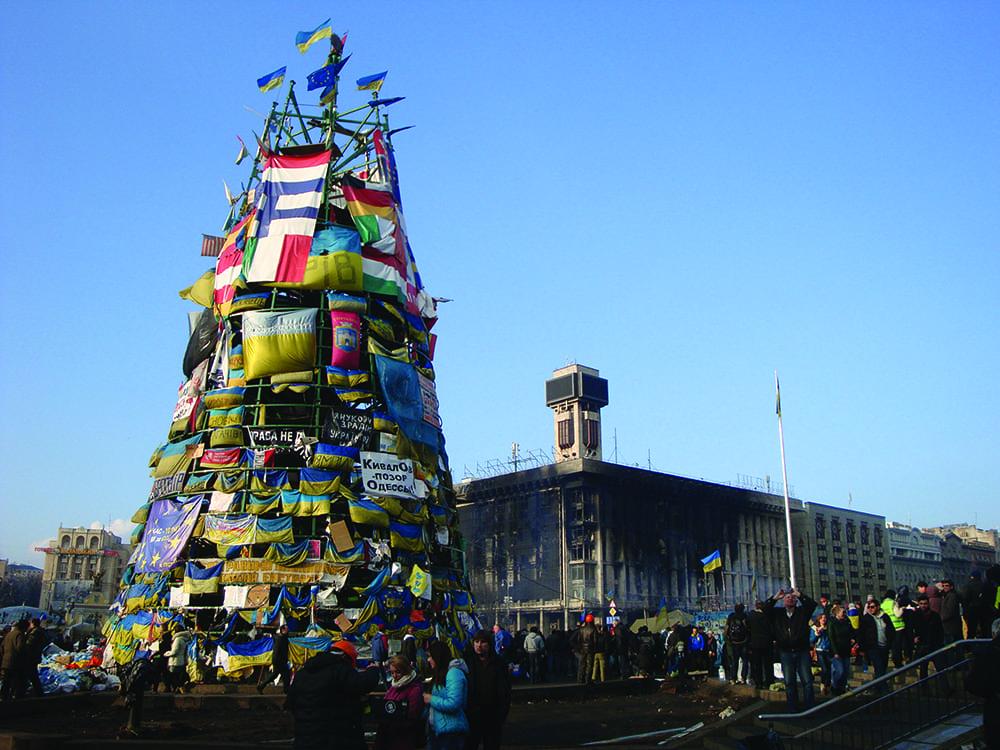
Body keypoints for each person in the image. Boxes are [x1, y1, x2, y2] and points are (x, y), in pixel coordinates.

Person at [285, 639, 381, 750]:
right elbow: (364, 684)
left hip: (304, 739)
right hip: (336, 740)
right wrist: (372, 670)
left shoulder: (302, 674)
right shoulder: (341, 671)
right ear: (345, 657)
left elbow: (290, 703)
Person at [763, 588, 818, 713]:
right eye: (787, 597)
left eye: (792, 597)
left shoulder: (802, 612)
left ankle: (810, 707)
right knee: (789, 682)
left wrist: (799, 595)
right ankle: (793, 708)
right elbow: (765, 608)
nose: (790, 599)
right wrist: (775, 598)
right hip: (786, 651)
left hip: (802, 650)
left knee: (807, 681)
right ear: (783, 601)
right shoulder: (778, 614)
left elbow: (812, 605)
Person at [463, 629, 511, 750]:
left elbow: (505, 687)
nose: (479, 645)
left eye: (483, 642)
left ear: (489, 644)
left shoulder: (498, 663)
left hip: (493, 714)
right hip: (472, 714)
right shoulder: (467, 662)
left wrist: (502, 711)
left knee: (492, 745)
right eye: (477, 641)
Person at [374, 655, 426, 750]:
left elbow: (412, 717)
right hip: (388, 738)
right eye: (392, 672)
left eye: (397, 672)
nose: (394, 676)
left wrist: (389, 723)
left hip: (402, 740)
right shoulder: (394, 686)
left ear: (405, 670)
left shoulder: (414, 690)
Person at [425, 641, 468, 750]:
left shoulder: (454, 674)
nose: (428, 660)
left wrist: (431, 699)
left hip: (450, 732)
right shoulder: (439, 675)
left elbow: (454, 703)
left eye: (430, 657)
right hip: (436, 730)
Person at [964, 617, 1000, 750]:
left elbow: (972, 683)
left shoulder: (989, 651)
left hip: (995, 708)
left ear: (993, 634)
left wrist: (990, 692)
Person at [859, 599, 895, 690]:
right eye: (869, 607)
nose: (870, 609)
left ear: (878, 607)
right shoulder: (866, 618)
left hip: (884, 646)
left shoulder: (885, 617)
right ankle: (884, 689)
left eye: (872, 607)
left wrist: (892, 644)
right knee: (878, 666)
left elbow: (891, 631)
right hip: (872, 646)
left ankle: (877, 688)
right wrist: (862, 649)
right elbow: (861, 634)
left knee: (883, 668)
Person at [912, 593, 945, 681]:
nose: (923, 606)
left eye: (925, 604)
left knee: (940, 667)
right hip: (923, 644)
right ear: (919, 604)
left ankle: (946, 688)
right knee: (923, 669)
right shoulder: (916, 615)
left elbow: (940, 631)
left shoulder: (935, 615)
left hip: (934, 644)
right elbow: (911, 628)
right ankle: (924, 688)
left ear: (929, 604)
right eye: (921, 604)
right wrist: (914, 637)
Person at [828, 605, 856, 696]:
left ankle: (842, 688)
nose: (844, 614)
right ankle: (835, 686)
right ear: (837, 613)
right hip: (837, 650)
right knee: (840, 671)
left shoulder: (846, 622)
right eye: (842, 612)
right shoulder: (832, 623)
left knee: (846, 672)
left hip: (846, 650)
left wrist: (852, 639)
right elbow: (832, 637)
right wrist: (835, 652)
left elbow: (852, 632)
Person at [747, 600, 774, 689]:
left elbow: (748, 629)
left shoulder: (751, 617)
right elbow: (771, 629)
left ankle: (758, 682)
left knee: (757, 664)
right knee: (768, 663)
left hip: (756, 643)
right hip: (767, 642)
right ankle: (769, 681)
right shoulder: (768, 616)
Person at [258, 624, 292, 694]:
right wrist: (276, 660)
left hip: (282, 661)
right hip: (279, 661)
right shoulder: (280, 638)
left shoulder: (284, 638)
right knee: (284, 676)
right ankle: (286, 691)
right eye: (286, 629)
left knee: (278, 675)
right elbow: (277, 650)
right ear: (282, 630)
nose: (288, 631)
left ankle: (261, 686)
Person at [0, 620, 26, 700]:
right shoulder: (20, 635)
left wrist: (4, 656)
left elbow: (2, 648)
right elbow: (20, 648)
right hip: (16, 661)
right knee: (20, 680)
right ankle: (17, 696)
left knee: (6, 681)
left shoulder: (9, 635)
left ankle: (3, 696)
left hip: (6, 661)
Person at [22, 618, 48, 697]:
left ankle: (23, 692)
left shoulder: (34, 633)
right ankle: (38, 692)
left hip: (31, 657)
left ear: (32, 623)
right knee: (33, 675)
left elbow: (29, 645)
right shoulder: (41, 632)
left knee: (29, 675)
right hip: (35, 657)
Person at [880, 589, 906, 669]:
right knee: (898, 646)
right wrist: (902, 609)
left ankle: (893, 661)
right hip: (898, 626)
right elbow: (898, 614)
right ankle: (899, 662)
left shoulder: (882, 605)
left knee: (892, 646)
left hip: (888, 627)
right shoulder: (893, 603)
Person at [724, 603, 750, 683]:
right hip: (744, 641)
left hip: (735, 642)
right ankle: (743, 678)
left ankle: (733, 678)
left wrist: (729, 639)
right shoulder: (745, 616)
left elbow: (726, 630)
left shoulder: (731, 617)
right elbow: (748, 629)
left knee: (735, 661)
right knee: (745, 660)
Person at [570, 615, 597, 684]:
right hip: (590, 649)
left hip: (582, 649)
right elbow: (595, 641)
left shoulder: (581, 629)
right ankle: (588, 679)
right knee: (589, 664)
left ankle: (580, 679)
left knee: (582, 664)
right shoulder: (593, 629)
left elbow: (579, 639)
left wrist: (580, 648)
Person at [809, 614, 832, 695]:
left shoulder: (829, 627)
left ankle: (827, 686)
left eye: (825, 617)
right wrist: (817, 633)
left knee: (829, 669)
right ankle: (823, 685)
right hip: (820, 650)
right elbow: (811, 640)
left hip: (828, 650)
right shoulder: (815, 628)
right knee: (824, 668)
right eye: (821, 618)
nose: (823, 619)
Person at [962, 571, 986, 640]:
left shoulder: (968, 585)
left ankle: (968, 647)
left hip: (971, 611)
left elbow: (965, 598)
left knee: (971, 630)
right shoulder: (983, 585)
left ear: (972, 577)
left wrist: (967, 608)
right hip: (983, 611)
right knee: (983, 630)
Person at [167, 628, 193, 693]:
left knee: (173, 676)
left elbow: (174, 652)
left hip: (174, 661)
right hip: (181, 661)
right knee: (178, 676)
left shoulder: (177, 640)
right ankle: (178, 689)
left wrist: (167, 654)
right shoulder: (184, 640)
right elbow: (185, 653)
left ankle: (180, 688)